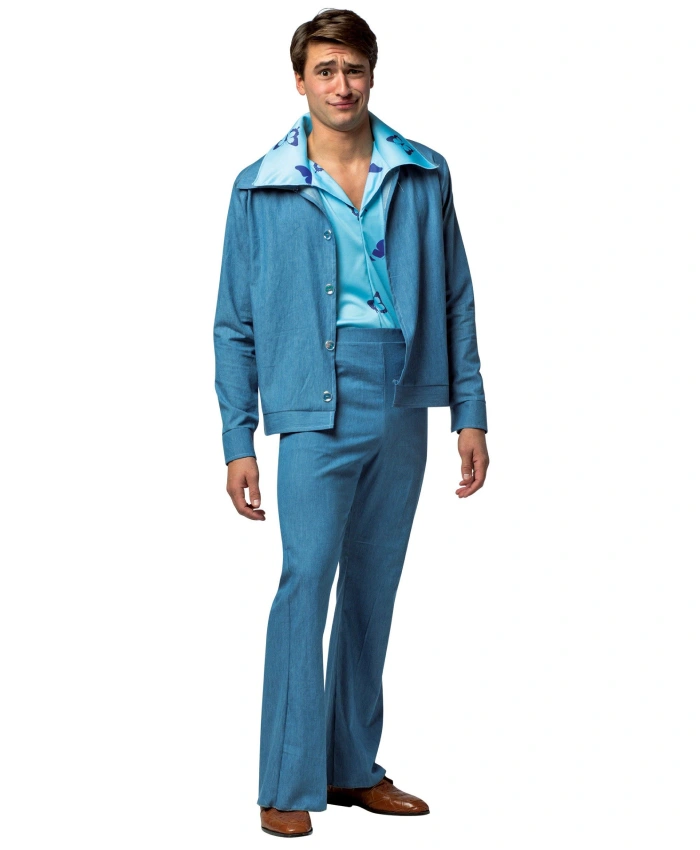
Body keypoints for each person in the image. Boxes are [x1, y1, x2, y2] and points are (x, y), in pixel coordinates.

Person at [213, 8, 490, 838]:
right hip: (311, 398)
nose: (341, 86)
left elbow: (456, 297)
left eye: (354, 70)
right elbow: (234, 322)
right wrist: (237, 437)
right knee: (306, 583)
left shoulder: (424, 172)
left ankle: (351, 768)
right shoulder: (260, 185)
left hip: (404, 393)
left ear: (372, 74)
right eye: (325, 71)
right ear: (299, 80)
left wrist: (470, 412)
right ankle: (285, 779)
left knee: (374, 586)